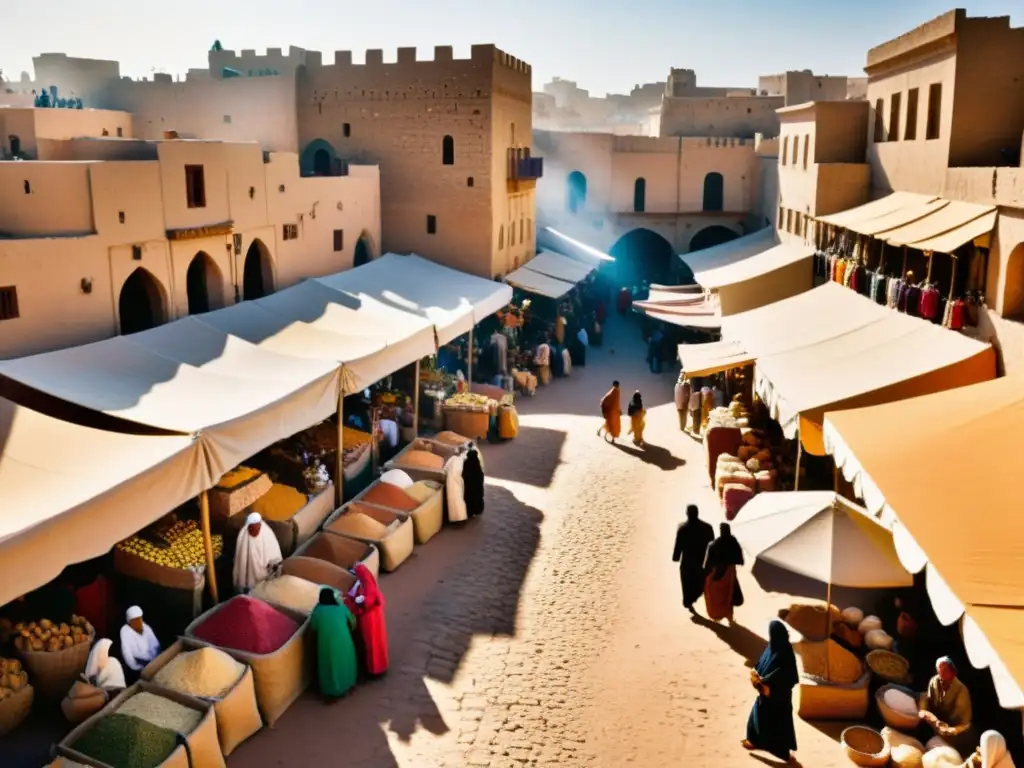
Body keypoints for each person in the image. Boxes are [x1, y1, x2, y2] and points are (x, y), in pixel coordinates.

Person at [744, 620, 798, 761]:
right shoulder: (771, 647)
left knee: (779, 723)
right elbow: (762, 662)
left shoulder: (786, 652)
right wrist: (756, 673)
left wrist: (768, 682)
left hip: (780, 696)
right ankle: (755, 741)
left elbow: (787, 675)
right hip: (765, 692)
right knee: (759, 715)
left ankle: (781, 752)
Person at [309, 587, 358, 699]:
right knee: (345, 662)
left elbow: (313, 626)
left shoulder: (318, 610)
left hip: (325, 644)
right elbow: (353, 622)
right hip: (344, 641)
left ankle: (332, 691)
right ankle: (347, 684)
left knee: (329, 666)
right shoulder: (341, 607)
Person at [919, 656, 975, 754]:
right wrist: (923, 710)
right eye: (940, 670)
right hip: (932, 723)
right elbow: (925, 697)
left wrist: (951, 730)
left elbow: (965, 724)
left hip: (952, 732)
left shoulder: (961, 691)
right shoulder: (934, 681)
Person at [344, 564, 389, 677]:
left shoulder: (368, 587)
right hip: (371, 618)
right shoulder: (364, 584)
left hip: (370, 620)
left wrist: (354, 604)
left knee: (372, 643)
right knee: (373, 643)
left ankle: (375, 670)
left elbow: (366, 604)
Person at [671, 505, 715, 612]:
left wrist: (676, 557)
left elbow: (678, 546)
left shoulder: (682, 529)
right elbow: (712, 546)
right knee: (700, 582)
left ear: (687, 514)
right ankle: (694, 597)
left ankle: (688, 601)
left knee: (687, 583)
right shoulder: (707, 528)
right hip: (701, 562)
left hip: (687, 562)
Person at [702, 523, 745, 623]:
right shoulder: (733, 542)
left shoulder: (714, 544)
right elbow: (740, 560)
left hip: (717, 574)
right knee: (730, 594)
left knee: (717, 596)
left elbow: (708, 563)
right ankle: (730, 617)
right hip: (730, 574)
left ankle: (717, 617)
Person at [232, 512, 283, 594]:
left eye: (257, 526)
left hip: (265, 579)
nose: (254, 530)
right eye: (251, 527)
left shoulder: (267, 535)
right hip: (247, 579)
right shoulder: (243, 536)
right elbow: (239, 561)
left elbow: (275, 558)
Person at [119, 606, 161, 678]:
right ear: (129, 622)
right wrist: (137, 668)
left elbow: (156, 645)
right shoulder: (124, 630)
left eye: (140, 619)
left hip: (154, 663)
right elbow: (127, 653)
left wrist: (156, 661)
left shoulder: (146, 627)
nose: (139, 622)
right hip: (138, 668)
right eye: (135, 620)